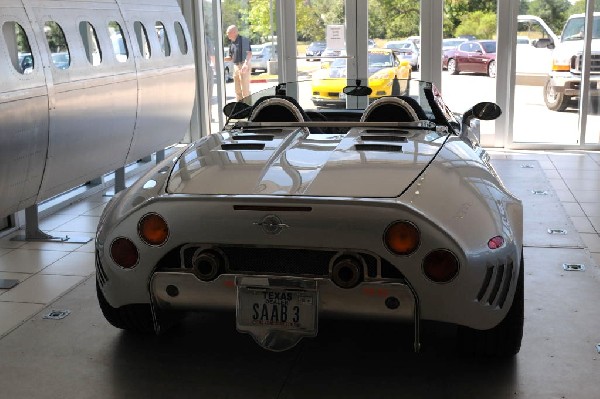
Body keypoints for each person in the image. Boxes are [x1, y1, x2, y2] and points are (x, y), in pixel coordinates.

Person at [225, 25, 252, 100]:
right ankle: (240, 108)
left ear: (234, 32)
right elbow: (231, 58)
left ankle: (248, 108)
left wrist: (245, 64)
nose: (227, 34)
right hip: (236, 67)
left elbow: (249, 54)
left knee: (245, 90)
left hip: (244, 65)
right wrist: (220, 59)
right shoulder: (232, 43)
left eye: (228, 33)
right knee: (237, 90)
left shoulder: (243, 40)